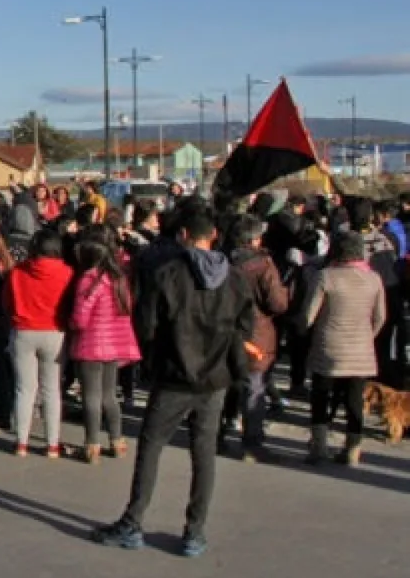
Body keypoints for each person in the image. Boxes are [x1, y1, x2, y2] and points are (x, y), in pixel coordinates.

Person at [92, 211, 253, 558]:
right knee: (203, 452)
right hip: (215, 378)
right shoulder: (235, 279)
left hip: (174, 374)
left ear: (183, 234)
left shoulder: (168, 275)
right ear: (213, 235)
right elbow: (246, 325)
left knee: (151, 447)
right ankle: (195, 532)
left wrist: (155, 358)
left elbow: (147, 326)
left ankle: (133, 521)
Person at [303, 232, 385, 466]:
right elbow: (380, 317)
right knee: (354, 400)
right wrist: (368, 337)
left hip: (328, 347)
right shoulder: (374, 279)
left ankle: (319, 447)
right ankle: (352, 450)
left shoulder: (325, 277)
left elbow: (309, 315)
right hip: (361, 350)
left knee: (320, 395)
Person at [69, 228, 143, 463]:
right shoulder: (119, 278)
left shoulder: (89, 280)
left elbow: (80, 318)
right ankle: (117, 440)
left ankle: (92, 444)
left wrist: (70, 323)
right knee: (110, 394)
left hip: (91, 343)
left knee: (91, 396)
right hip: (114, 344)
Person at [4, 228, 73, 458]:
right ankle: (52, 444)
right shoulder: (67, 273)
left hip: (23, 330)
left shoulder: (18, 272)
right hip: (55, 332)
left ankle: (21, 442)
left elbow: (7, 302)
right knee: (51, 389)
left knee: (24, 389)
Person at [227, 215, 289, 461]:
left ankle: (219, 434)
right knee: (254, 387)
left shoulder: (223, 262)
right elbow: (278, 303)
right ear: (255, 238)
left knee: (228, 385)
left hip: (227, 331)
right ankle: (251, 442)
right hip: (257, 332)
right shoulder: (264, 266)